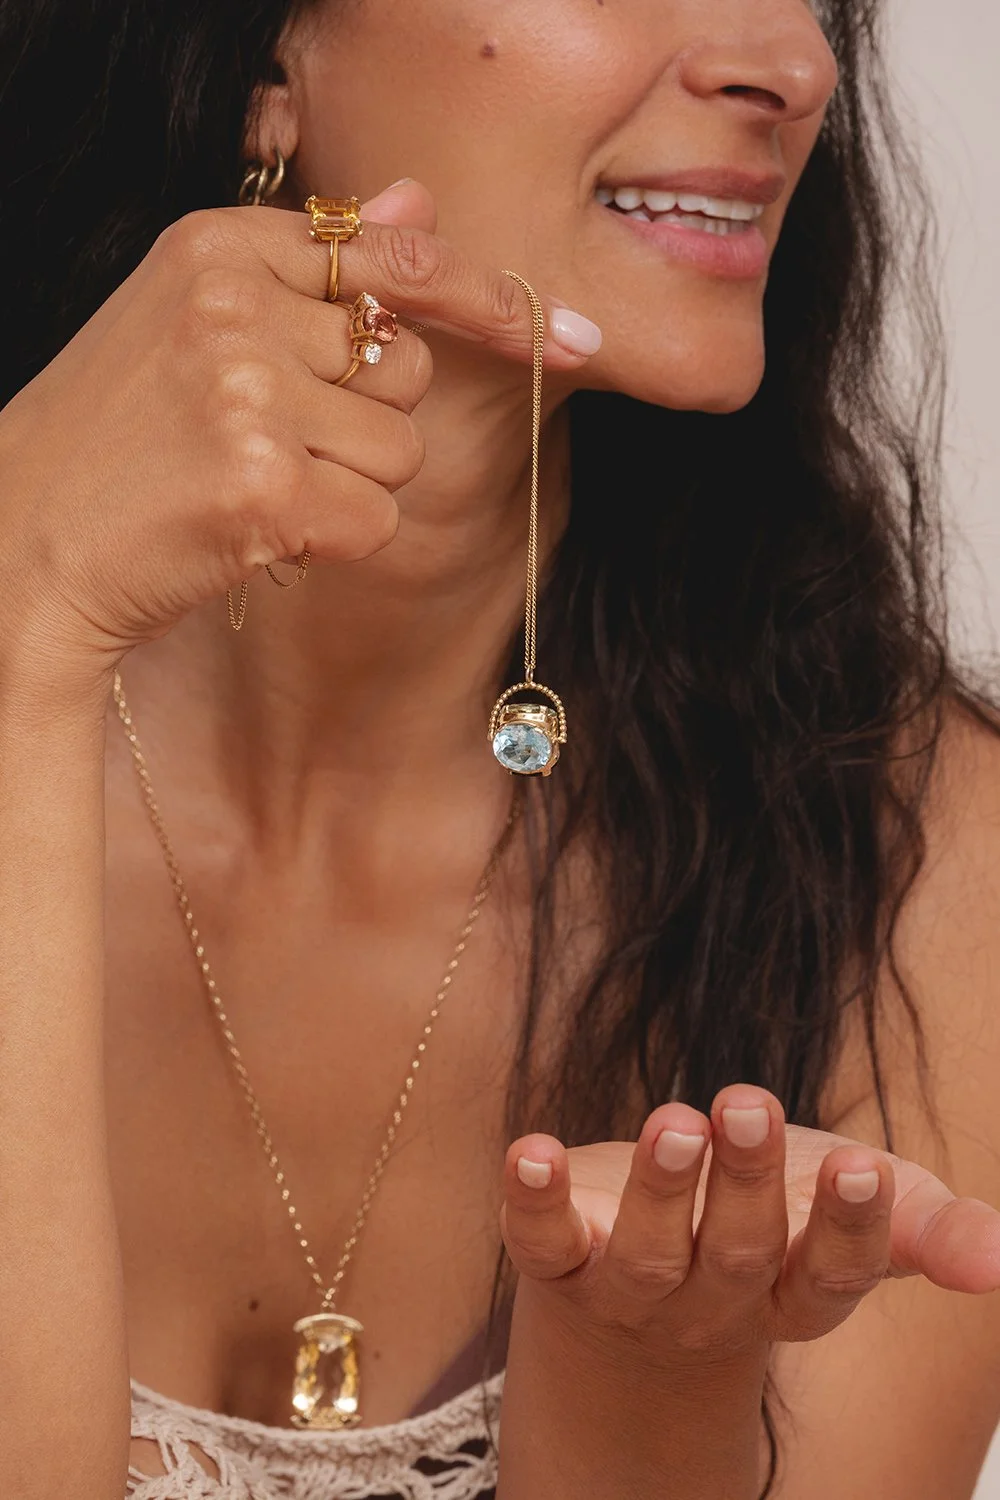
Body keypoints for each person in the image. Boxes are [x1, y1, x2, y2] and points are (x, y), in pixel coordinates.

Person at [2, 0, 1000, 1496]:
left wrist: (645, 1378)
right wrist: (24, 628)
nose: (793, 67)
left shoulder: (926, 863)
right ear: (264, 63)